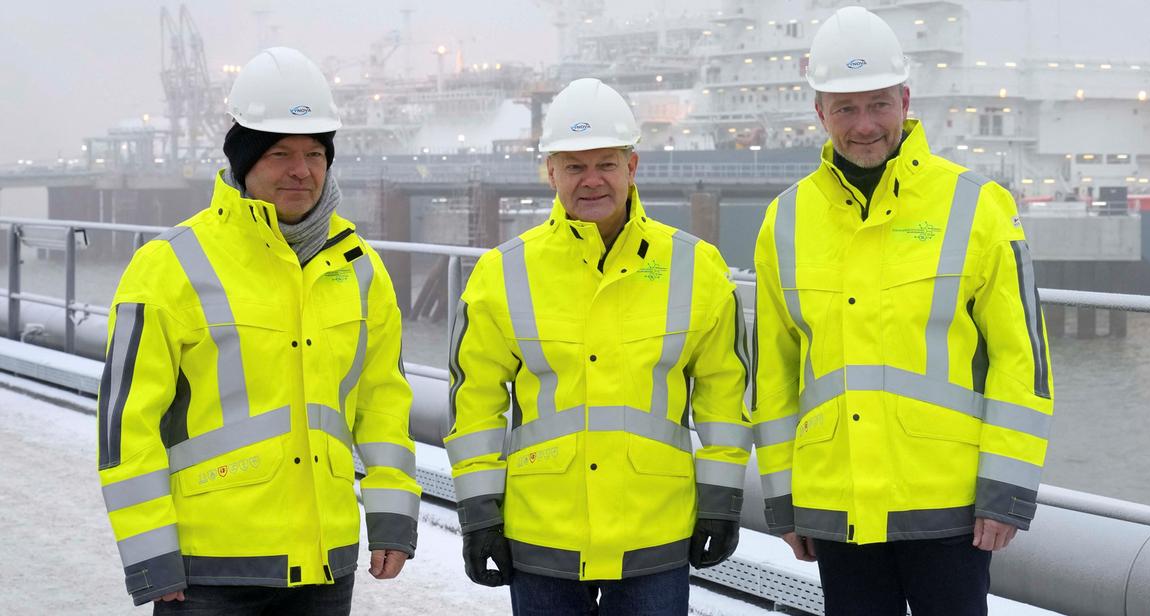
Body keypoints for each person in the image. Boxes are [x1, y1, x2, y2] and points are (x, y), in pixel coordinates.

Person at [751, 7, 1055, 615]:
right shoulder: (784, 220)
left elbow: (1021, 360)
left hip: (951, 508)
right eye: (846, 108)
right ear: (820, 112)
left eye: (879, 104)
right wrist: (783, 497)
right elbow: (774, 374)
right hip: (838, 506)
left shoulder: (979, 205)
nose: (865, 125)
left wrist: (1006, 487)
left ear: (905, 101)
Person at [95, 47, 419, 613]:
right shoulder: (169, 265)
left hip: (323, 564)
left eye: (315, 153)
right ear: (244, 161)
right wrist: (149, 552)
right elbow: (127, 423)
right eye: (280, 153)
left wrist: (392, 513)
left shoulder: (360, 268)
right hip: (208, 569)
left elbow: (383, 401)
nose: (302, 170)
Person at [447, 78, 751, 615]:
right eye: (574, 166)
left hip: (655, 530)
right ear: (551, 172)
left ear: (632, 167)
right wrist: (479, 512)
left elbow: (725, 391)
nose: (591, 180)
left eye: (606, 164)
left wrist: (722, 498)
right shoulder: (502, 273)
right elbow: (475, 399)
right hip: (542, 533)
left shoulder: (696, 267)